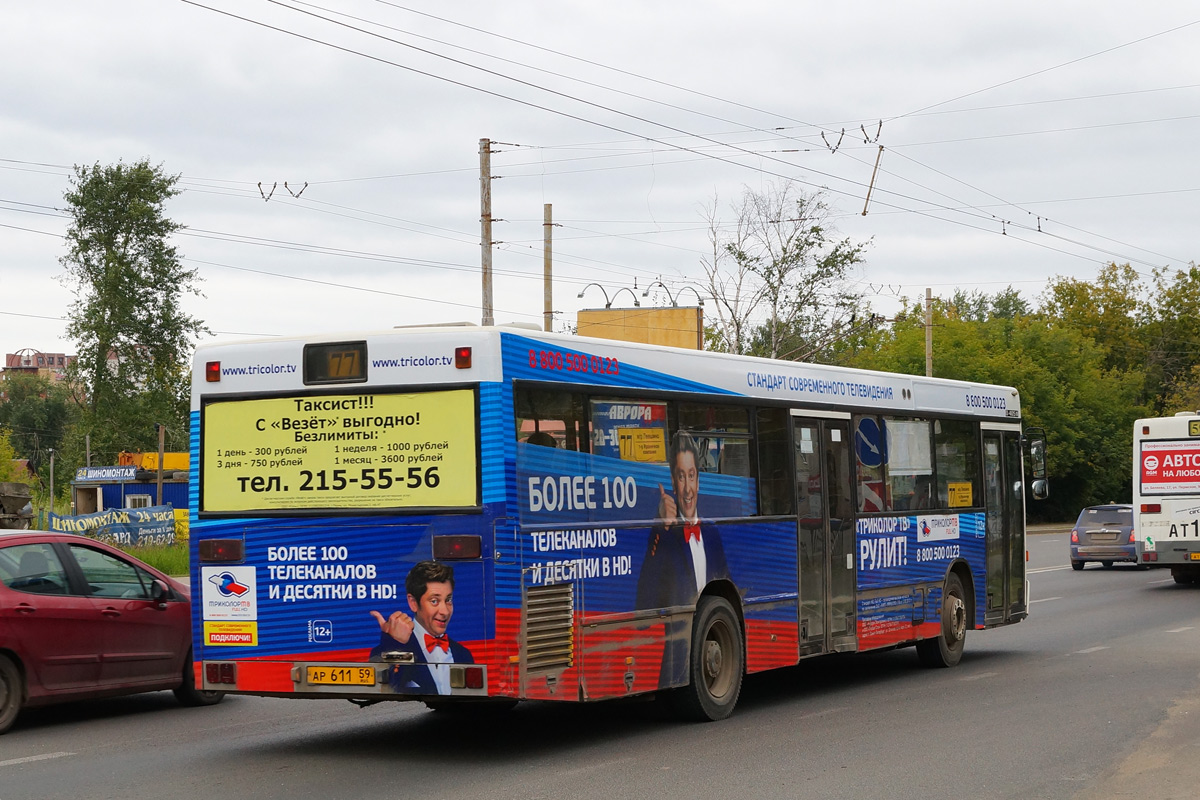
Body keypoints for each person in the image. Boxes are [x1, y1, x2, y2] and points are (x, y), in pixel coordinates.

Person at [635, 432, 730, 686]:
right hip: (674, 672)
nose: (687, 488)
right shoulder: (664, 536)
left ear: (699, 480)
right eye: (680, 476)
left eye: (691, 476)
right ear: (672, 483)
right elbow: (643, 614)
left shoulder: (712, 535)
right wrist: (659, 528)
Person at [368, 560, 474, 695]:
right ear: (413, 603)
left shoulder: (463, 654)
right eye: (434, 601)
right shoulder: (395, 645)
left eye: (448, 600)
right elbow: (381, 686)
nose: (445, 611)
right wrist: (395, 644)